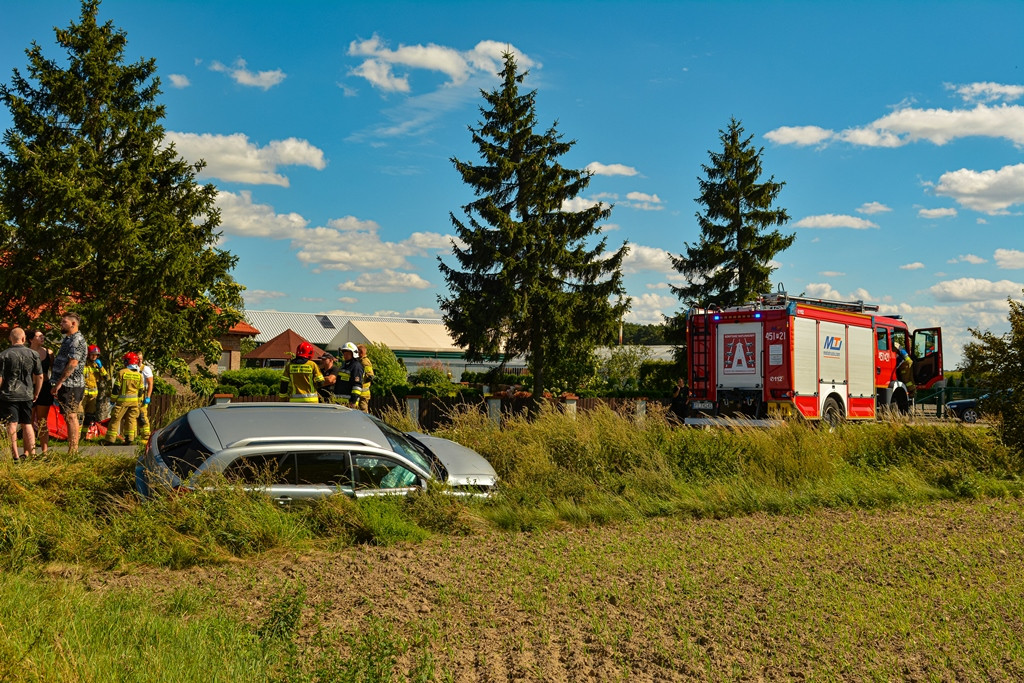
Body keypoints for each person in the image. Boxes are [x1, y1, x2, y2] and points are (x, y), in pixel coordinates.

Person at [0, 328, 44, 461]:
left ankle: (15, 456)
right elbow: (40, 376)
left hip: (9, 394)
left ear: (10, 339)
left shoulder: (3, 355)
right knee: (27, 424)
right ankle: (33, 454)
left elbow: (0, 377)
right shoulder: (33, 354)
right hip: (27, 394)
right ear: (24, 339)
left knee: (12, 424)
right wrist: (36, 393)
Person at [50, 313, 88, 453]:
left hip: (72, 384)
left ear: (73, 324)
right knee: (68, 415)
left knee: (71, 416)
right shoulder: (68, 339)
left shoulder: (76, 340)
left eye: (64, 322)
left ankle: (73, 451)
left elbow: (73, 362)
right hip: (67, 384)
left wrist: (60, 382)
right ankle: (72, 448)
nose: (61, 324)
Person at [105, 352, 144, 445]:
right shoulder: (139, 375)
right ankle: (130, 439)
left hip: (123, 402)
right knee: (131, 420)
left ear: (128, 362)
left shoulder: (122, 372)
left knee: (115, 419)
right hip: (134, 403)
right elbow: (141, 391)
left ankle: (110, 440)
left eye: (125, 360)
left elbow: (116, 388)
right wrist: (139, 402)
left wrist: (113, 400)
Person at [27, 329, 54, 455]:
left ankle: (44, 452)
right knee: (29, 421)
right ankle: (29, 451)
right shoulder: (26, 352)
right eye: (39, 336)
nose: (42, 338)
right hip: (29, 387)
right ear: (31, 339)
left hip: (45, 388)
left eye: (43, 336)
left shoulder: (49, 352)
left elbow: (54, 369)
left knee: (43, 421)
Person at [81, 345, 108, 438]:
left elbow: (106, 377)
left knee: (89, 417)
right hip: (83, 394)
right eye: (93, 354)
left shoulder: (97, 365)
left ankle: (84, 436)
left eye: (96, 355)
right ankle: (76, 436)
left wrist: (101, 367)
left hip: (93, 395)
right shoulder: (82, 364)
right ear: (88, 354)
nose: (94, 357)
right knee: (80, 415)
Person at [334, 342, 365, 409]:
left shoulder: (356, 366)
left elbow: (357, 386)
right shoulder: (344, 366)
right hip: (339, 403)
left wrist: (353, 401)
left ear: (353, 353)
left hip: (350, 404)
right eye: (344, 353)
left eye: (348, 353)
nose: (345, 355)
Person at [135, 351, 154, 440]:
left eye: (141, 359)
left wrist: (148, 397)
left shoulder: (146, 369)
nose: (140, 361)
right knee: (132, 416)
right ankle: (132, 437)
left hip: (142, 396)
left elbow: (150, 383)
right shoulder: (131, 369)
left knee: (142, 416)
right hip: (133, 395)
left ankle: (146, 437)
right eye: (138, 359)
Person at [356, 344, 374, 412]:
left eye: (356, 351)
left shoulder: (364, 361)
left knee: (363, 412)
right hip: (359, 392)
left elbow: (370, 376)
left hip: (363, 394)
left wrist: (360, 382)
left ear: (361, 352)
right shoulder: (359, 361)